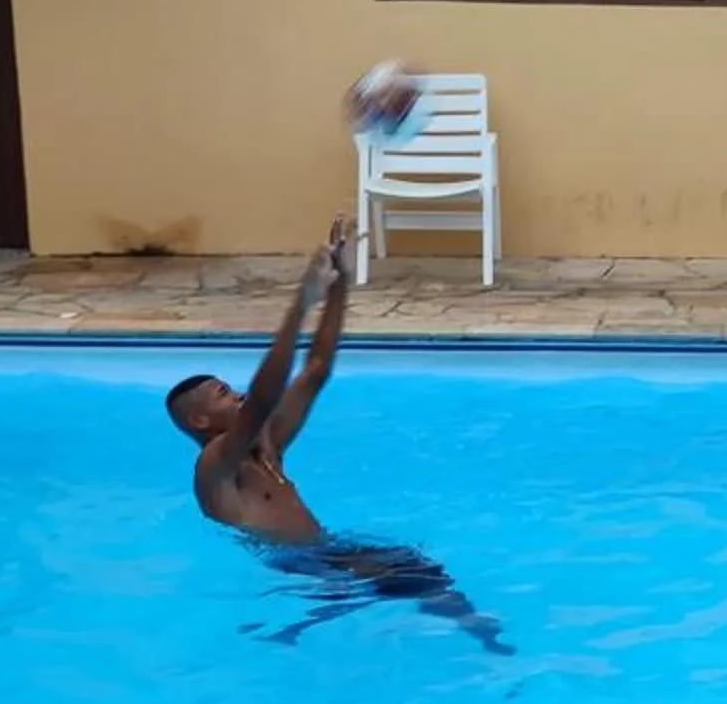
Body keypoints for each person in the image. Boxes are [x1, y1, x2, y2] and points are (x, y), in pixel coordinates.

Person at [164, 216, 510, 654]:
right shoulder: (215, 467)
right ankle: (481, 642)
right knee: (409, 576)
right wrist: (300, 305)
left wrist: (340, 282)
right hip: (298, 564)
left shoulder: (266, 448)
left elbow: (317, 367)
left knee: (417, 567)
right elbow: (265, 397)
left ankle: (477, 637)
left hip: (324, 549)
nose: (237, 395)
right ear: (199, 420)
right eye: (223, 394)